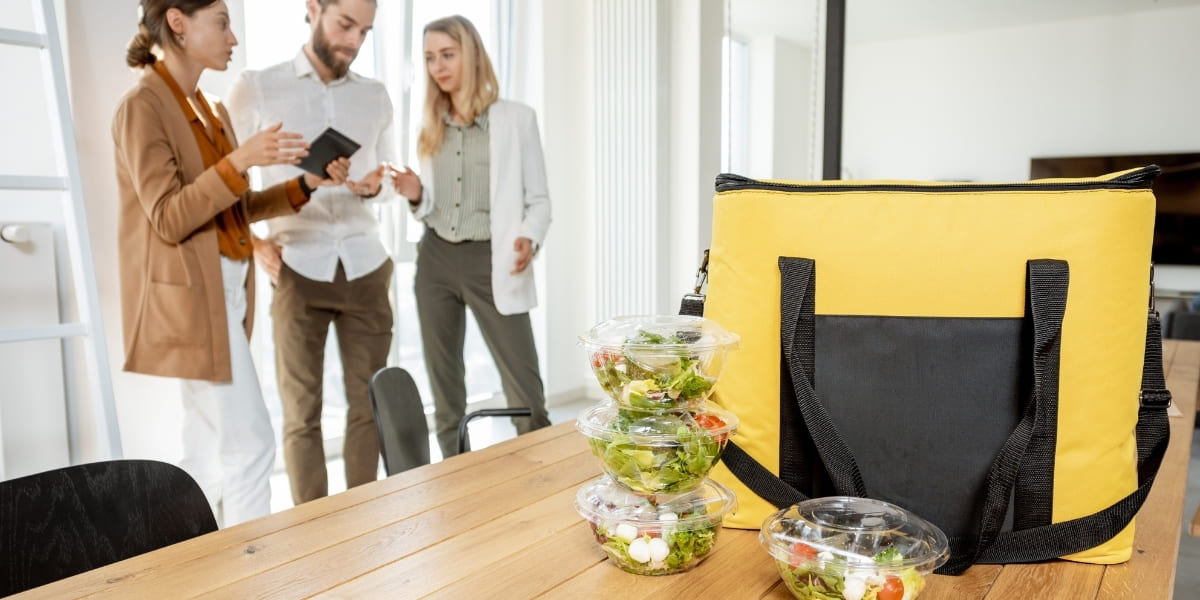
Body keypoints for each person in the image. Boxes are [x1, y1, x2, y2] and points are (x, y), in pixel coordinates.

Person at [113, 0, 346, 526]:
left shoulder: (210, 108)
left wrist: (303, 183)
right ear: (178, 22)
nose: (232, 38)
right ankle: (249, 572)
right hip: (194, 298)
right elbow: (170, 217)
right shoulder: (143, 107)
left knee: (208, 447)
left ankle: (195, 564)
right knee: (250, 443)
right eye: (221, 23)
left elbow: (232, 210)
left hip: (227, 290)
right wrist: (240, 161)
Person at [225, 0, 396, 504]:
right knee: (302, 413)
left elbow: (389, 176)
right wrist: (253, 243)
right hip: (296, 265)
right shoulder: (257, 87)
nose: (353, 41)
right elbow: (225, 177)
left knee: (369, 406)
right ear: (314, 9)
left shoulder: (375, 95)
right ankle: (312, 530)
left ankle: (362, 519)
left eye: (364, 31)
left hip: (366, 264)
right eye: (345, 24)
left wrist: (373, 187)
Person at [391, 15, 552, 458]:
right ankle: (453, 481)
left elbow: (538, 201)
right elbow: (432, 205)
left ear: (472, 55)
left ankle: (540, 474)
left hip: (493, 260)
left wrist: (527, 238)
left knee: (526, 396)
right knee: (446, 396)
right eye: (428, 58)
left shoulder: (517, 120)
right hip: (436, 260)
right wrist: (415, 193)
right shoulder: (429, 125)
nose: (437, 67)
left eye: (447, 54)